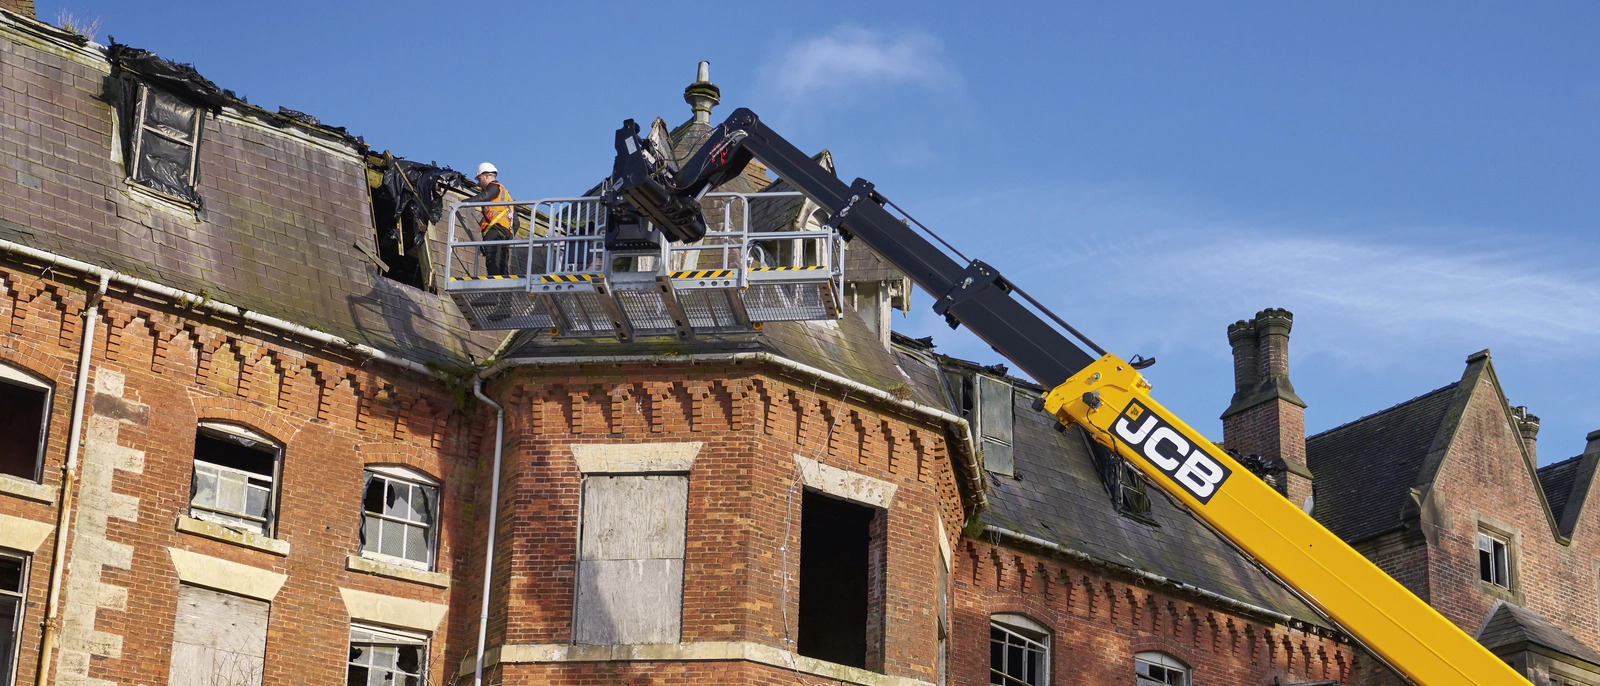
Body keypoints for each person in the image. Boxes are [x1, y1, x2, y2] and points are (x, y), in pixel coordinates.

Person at [466, 162, 517, 276]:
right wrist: (510, 237)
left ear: (486, 176)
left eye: (479, 179)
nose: (478, 183)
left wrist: (463, 203)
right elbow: (516, 222)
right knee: (502, 263)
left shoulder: (494, 187)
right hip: (505, 233)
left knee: (492, 260)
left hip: (494, 230)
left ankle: (493, 289)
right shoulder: (507, 196)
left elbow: (485, 196)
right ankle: (505, 293)